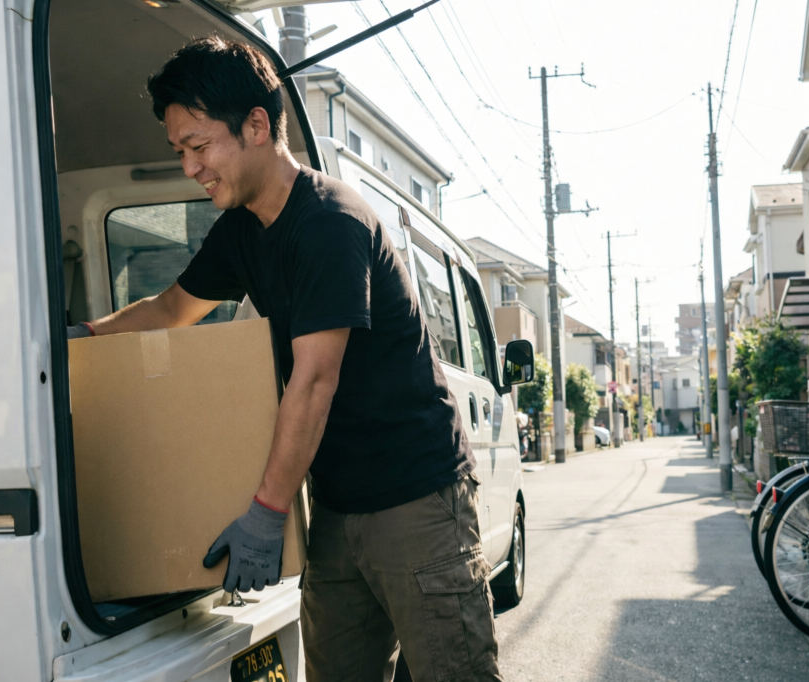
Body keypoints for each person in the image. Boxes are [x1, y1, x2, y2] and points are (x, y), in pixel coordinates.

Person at [68, 38, 502, 682]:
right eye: (180, 151)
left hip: (417, 500)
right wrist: (78, 337)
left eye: (199, 145)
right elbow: (168, 312)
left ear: (256, 125)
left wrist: (267, 513)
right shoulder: (244, 229)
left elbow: (315, 379)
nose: (190, 167)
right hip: (337, 506)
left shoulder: (330, 223)